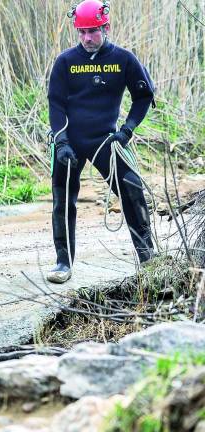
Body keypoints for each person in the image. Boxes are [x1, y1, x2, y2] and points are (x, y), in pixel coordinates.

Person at [47, 0, 156, 284]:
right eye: (82, 32)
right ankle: (63, 262)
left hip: (107, 139)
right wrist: (61, 142)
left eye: (93, 31)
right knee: (62, 199)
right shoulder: (65, 61)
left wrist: (127, 130)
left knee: (132, 190)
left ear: (106, 28)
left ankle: (147, 257)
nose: (87, 38)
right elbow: (55, 104)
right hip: (70, 141)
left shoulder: (123, 59)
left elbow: (144, 96)